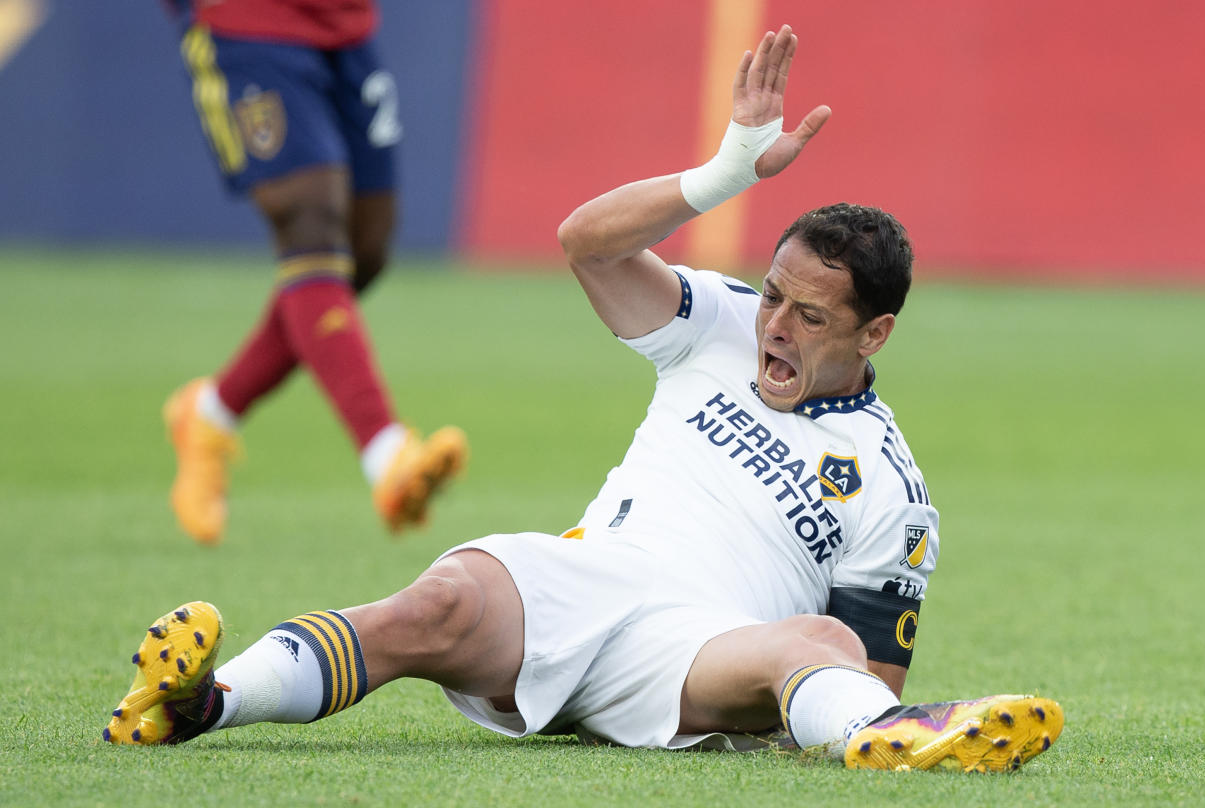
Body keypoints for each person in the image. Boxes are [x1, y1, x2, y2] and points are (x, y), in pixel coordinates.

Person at [105, 25, 1063, 771]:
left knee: (811, 643)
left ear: (874, 334)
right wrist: (724, 171)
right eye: (774, 295)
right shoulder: (718, 320)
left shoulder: (894, 492)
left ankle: (903, 752)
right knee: (433, 603)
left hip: (702, 650)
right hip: (586, 579)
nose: (774, 326)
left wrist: (796, 702)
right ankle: (201, 705)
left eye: (810, 318)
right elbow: (587, 242)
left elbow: (871, 673)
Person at [159, 0, 467, 544]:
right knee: (310, 225)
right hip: (246, 23)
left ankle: (209, 413)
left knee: (363, 250)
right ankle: (387, 456)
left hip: (344, 26)